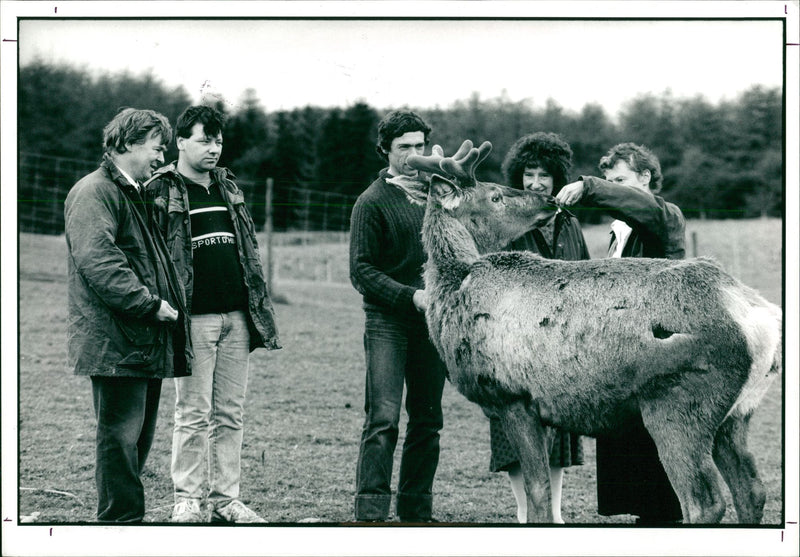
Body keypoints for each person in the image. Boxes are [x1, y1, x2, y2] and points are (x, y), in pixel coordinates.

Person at [145, 105, 281, 523]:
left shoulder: (228, 186)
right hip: (193, 319)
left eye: (218, 141)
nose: (213, 149)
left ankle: (227, 500)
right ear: (181, 141)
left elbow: (248, 250)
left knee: (230, 412)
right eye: (205, 140)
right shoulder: (159, 189)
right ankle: (187, 498)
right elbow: (150, 254)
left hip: (237, 318)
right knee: (192, 412)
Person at [64, 108, 191, 523]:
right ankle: (120, 525)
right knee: (119, 439)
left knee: (136, 440)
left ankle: (125, 523)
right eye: (157, 147)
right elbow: (99, 262)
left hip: (142, 340)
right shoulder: (94, 192)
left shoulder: (134, 193)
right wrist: (150, 304)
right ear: (130, 141)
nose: (161, 157)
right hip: (117, 342)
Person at [556, 142, 686, 525]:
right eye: (610, 180)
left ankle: (665, 525)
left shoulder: (664, 215)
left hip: (658, 344)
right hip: (625, 348)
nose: (615, 187)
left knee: (656, 445)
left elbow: (639, 206)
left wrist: (590, 186)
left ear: (645, 178)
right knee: (631, 443)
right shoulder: (620, 229)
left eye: (622, 180)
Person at [349, 110, 448, 523]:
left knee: (428, 420)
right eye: (404, 147)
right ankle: (371, 511)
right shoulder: (371, 201)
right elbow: (362, 271)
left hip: (431, 324)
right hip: (388, 322)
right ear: (386, 150)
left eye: (419, 146)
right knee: (384, 418)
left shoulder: (438, 196)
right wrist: (411, 297)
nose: (413, 154)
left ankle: (415, 510)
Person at [487, 132, 588, 523]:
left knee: (559, 430)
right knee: (513, 426)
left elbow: (585, 276)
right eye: (528, 174)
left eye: (544, 175)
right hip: (514, 344)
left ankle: (556, 515)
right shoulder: (506, 221)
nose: (535, 183)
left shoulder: (570, 222)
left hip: (561, 346)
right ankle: (524, 511)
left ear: (558, 178)